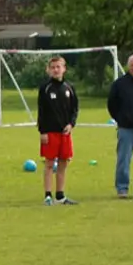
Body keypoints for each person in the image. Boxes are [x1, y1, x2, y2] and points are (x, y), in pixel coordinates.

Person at [37, 53, 78, 206]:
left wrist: (71, 124)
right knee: (49, 164)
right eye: (53, 67)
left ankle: (60, 195)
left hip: (65, 132)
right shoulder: (45, 88)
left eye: (58, 67)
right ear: (48, 70)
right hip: (50, 132)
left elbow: (75, 109)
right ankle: (48, 195)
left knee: (63, 163)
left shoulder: (69, 87)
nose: (55, 70)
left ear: (64, 69)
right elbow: (41, 111)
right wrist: (43, 132)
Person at [108, 53, 133, 198]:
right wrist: (121, 119)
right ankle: (122, 188)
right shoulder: (119, 84)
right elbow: (112, 104)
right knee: (124, 159)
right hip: (126, 128)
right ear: (128, 66)